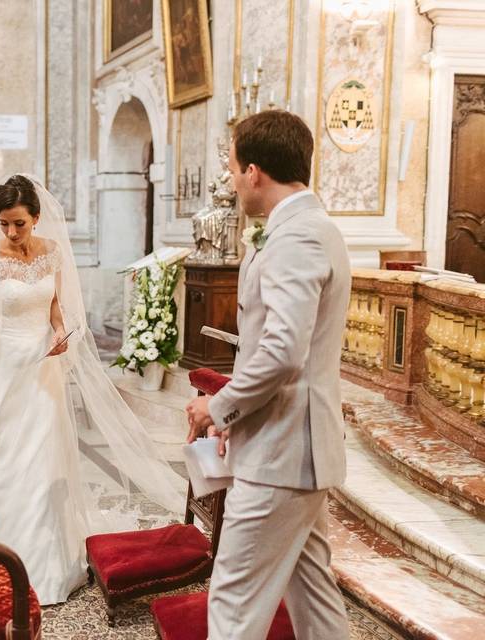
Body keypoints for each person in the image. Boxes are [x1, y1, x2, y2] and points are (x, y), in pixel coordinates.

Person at [0, 175, 188, 605]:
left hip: (42, 372)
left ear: (36, 217)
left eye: (19, 224)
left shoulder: (51, 252)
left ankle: (43, 561)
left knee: (41, 461)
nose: (11, 233)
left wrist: (58, 331)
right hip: (0, 371)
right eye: (4, 224)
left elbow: (54, 307)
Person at [185, 110, 351, 639]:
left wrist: (220, 405)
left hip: (281, 455)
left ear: (254, 171)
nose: (234, 182)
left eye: (234, 170)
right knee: (315, 596)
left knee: (234, 602)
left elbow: (283, 352)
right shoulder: (310, 228)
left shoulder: (295, 237)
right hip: (298, 451)